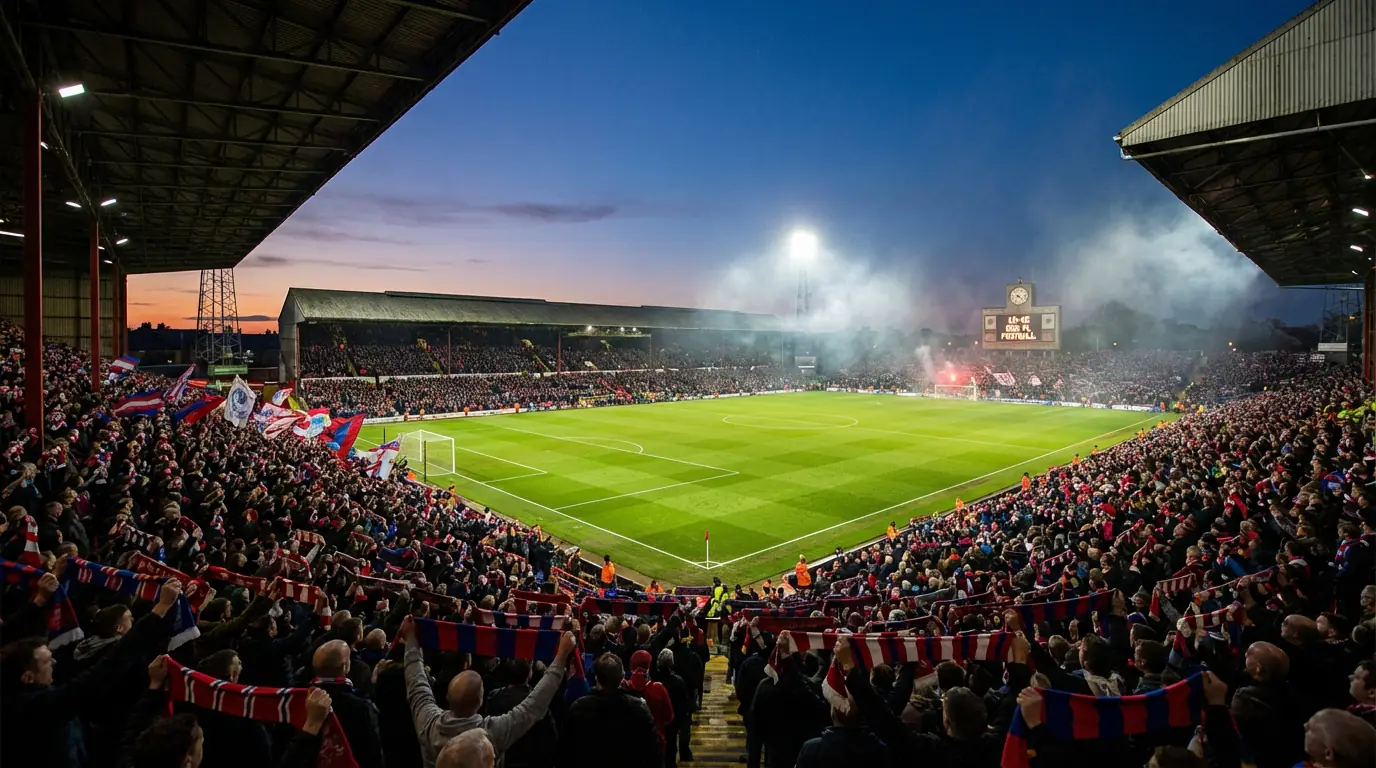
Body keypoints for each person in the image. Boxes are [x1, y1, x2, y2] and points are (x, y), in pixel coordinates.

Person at [400, 616, 574, 768]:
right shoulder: (490, 734)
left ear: (447, 696)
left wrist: (411, 642)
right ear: (480, 702)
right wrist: (561, 658)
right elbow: (533, 706)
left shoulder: (428, 723)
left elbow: (417, 684)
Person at [559, 652, 661, 768]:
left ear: (597, 678)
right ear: (622, 678)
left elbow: (566, 752)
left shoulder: (579, 708)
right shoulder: (639, 710)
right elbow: (653, 755)